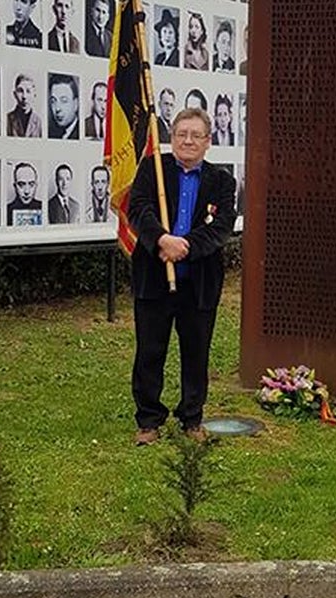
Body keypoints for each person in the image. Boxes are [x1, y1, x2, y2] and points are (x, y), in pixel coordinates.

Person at [127, 107, 236, 446]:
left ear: (208, 142)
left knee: (196, 353)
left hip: (198, 284)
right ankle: (149, 420)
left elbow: (221, 228)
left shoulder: (222, 181)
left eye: (195, 135)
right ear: (171, 138)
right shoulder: (152, 169)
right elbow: (139, 210)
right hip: (154, 280)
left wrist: (184, 246)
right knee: (149, 352)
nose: (187, 140)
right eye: (180, 134)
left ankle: (192, 418)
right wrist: (161, 239)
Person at [6, 73, 41, 137]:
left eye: (28, 91)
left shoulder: (39, 121)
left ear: (34, 95)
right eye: (20, 91)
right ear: (14, 94)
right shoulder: (7, 119)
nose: (24, 96)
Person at [48, 74, 79, 139]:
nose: (57, 108)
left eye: (64, 101)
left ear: (76, 104)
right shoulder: (52, 134)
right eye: (53, 101)